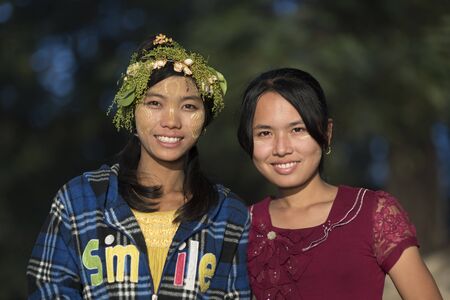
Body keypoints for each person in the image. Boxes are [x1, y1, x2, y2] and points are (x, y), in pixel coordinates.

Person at [27, 34, 251, 300]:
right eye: (154, 103)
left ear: (204, 121)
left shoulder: (229, 214)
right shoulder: (80, 201)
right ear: (131, 113)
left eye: (189, 106)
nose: (171, 121)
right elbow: (48, 289)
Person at [237, 68, 442, 299]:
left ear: (326, 132)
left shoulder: (373, 213)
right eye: (265, 133)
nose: (282, 148)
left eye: (297, 129)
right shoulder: (237, 228)